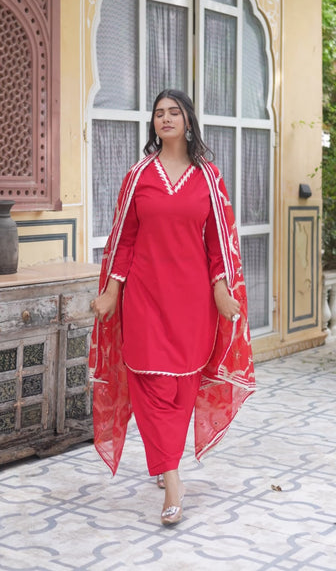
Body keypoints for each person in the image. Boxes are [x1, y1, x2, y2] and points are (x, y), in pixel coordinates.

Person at [89, 88, 255, 526]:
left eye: (173, 112)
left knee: (182, 385)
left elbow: (220, 242)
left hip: (192, 299)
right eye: (159, 113)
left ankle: (165, 461)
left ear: (187, 120)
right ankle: (173, 482)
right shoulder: (138, 174)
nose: (165, 118)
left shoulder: (208, 178)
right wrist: (111, 291)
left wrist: (222, 289)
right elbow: (123, 239)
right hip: (144, 295)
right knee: (149, 381)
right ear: (154, 124)